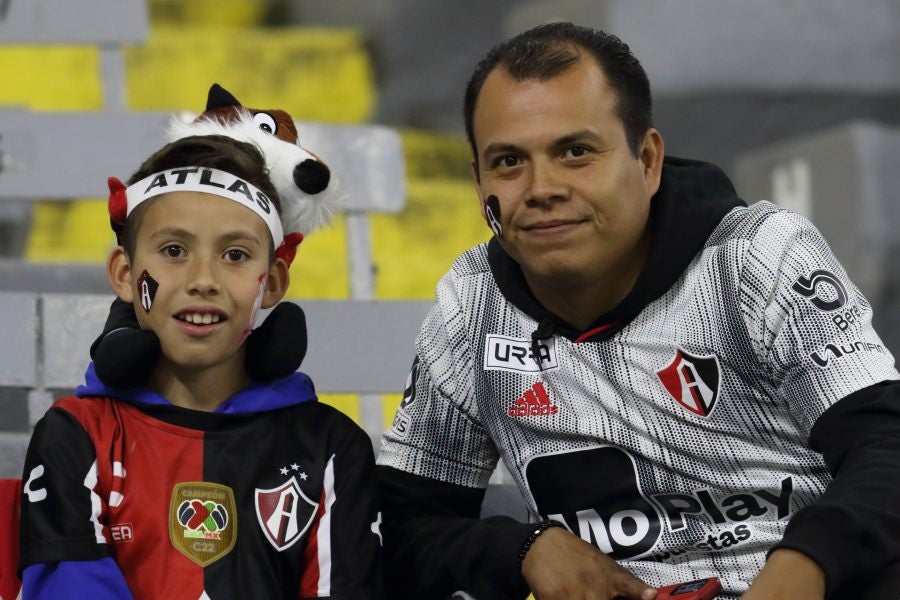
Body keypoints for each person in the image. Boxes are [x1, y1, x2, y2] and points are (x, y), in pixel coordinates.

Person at [376, 22, 900, 600]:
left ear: (647, 160)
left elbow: (888, 446)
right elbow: (400, 527)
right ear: (478, 186)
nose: (541, 187)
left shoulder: (757, 257)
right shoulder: (472, 304)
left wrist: (807, 564)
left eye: (575, 152)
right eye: (507, 162)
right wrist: (524, 549)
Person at [19, 135, 382, 599]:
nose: (203, 280)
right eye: (174, 250)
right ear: (126, 275)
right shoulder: (76, 434)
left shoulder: (331, 446)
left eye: (235, 255)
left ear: (270, 283)